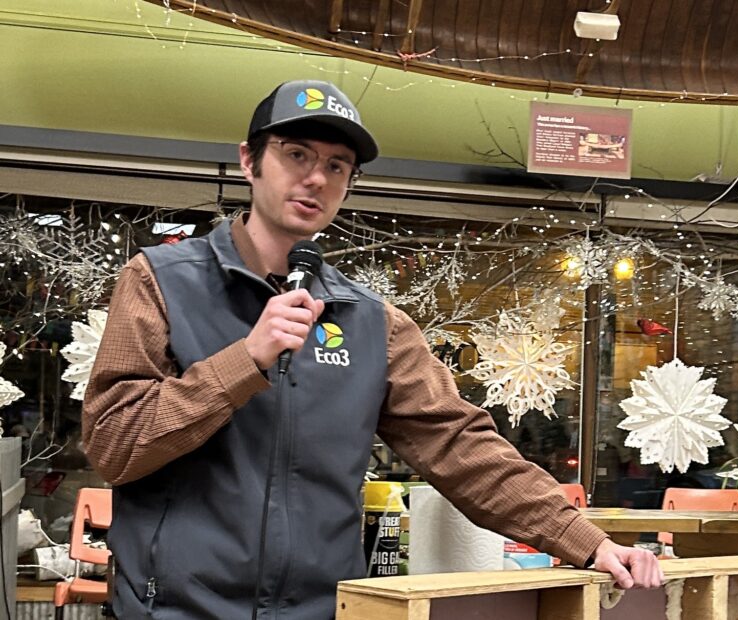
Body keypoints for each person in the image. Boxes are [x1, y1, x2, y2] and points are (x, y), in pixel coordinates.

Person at [82, 80, 662, 619]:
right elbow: (114, 445)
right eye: (297, 154)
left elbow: (461, 445)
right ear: (249, 161)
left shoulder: (371, 322)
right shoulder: (160, 281)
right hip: (173, 609)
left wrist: (587, 542)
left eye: (337, 166)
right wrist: (247, 360)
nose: (316, 178)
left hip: (320, 611)